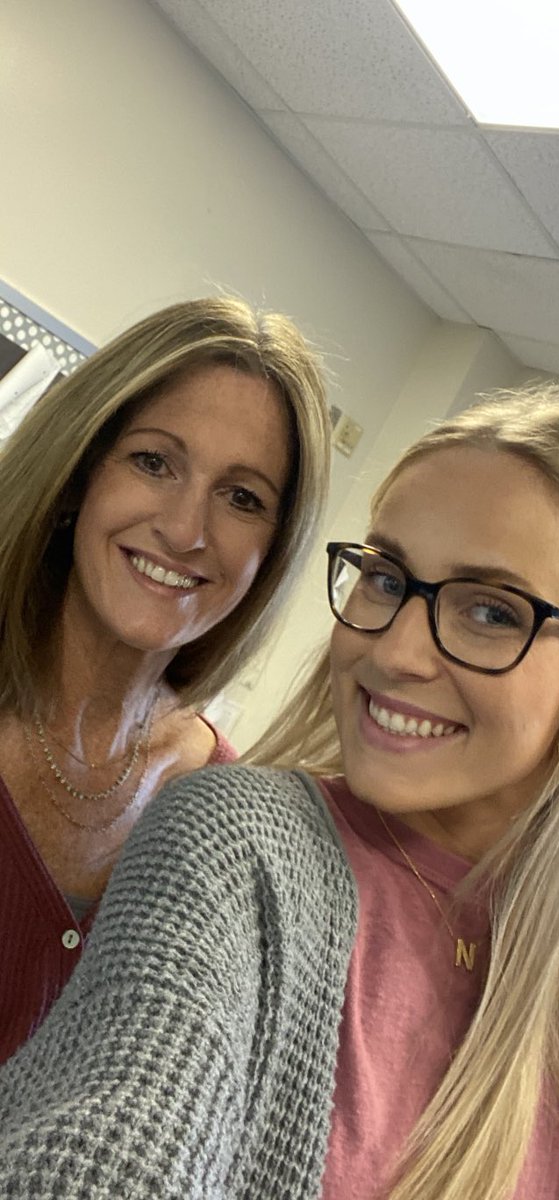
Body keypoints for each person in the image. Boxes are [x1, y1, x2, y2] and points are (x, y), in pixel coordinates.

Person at [0, 385, 559, 1200]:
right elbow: (108, 1141)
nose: (397, 652)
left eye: (490, 609)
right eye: (386, 578)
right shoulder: (235, 843)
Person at [0, 294, 330, 1065]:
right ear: (81, 471)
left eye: (243, 497)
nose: (187, 531)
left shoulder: (227, 821)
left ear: (271, 553)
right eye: (154, 461)